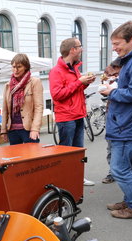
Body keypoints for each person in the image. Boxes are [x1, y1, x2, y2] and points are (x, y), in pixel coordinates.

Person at [99, 21, 132, 219]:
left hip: (127, 125)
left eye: (116, 43)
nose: (113, 48)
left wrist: (113, 92)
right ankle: (131, 201)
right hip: (131, 123)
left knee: (119, 169)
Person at [49, 37, 96, 186]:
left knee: (78, 151)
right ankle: (63, 181)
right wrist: (79, 82)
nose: (82, 49)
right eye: (79, 46)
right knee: (65, 152)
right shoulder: (56, 71)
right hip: (66, 118)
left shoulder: (74, 68)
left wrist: (85, 83)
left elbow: (75, 91)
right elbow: (57, 95)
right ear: (72, 50)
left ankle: (77, 178)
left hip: (78, 115)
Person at [0, 53, 43, 145]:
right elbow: (5, 110)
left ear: (26, 67)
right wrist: (3, 130)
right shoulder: (8, 85)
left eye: (19, 67)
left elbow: (38, 107)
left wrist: (35, 129)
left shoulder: (34, 82)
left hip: (28, 128)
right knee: (16, 158)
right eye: (13, 67)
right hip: (12, 130)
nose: (15, 70)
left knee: (33, 157)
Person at [100, 58, 121, 184]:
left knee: (128, 145)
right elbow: (104, 89)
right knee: (111, 143)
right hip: (111, 111)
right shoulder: (109, 68)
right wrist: (105, 86)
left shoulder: (130, 67)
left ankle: (125, 171)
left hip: (126, 113)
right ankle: (112, 172)